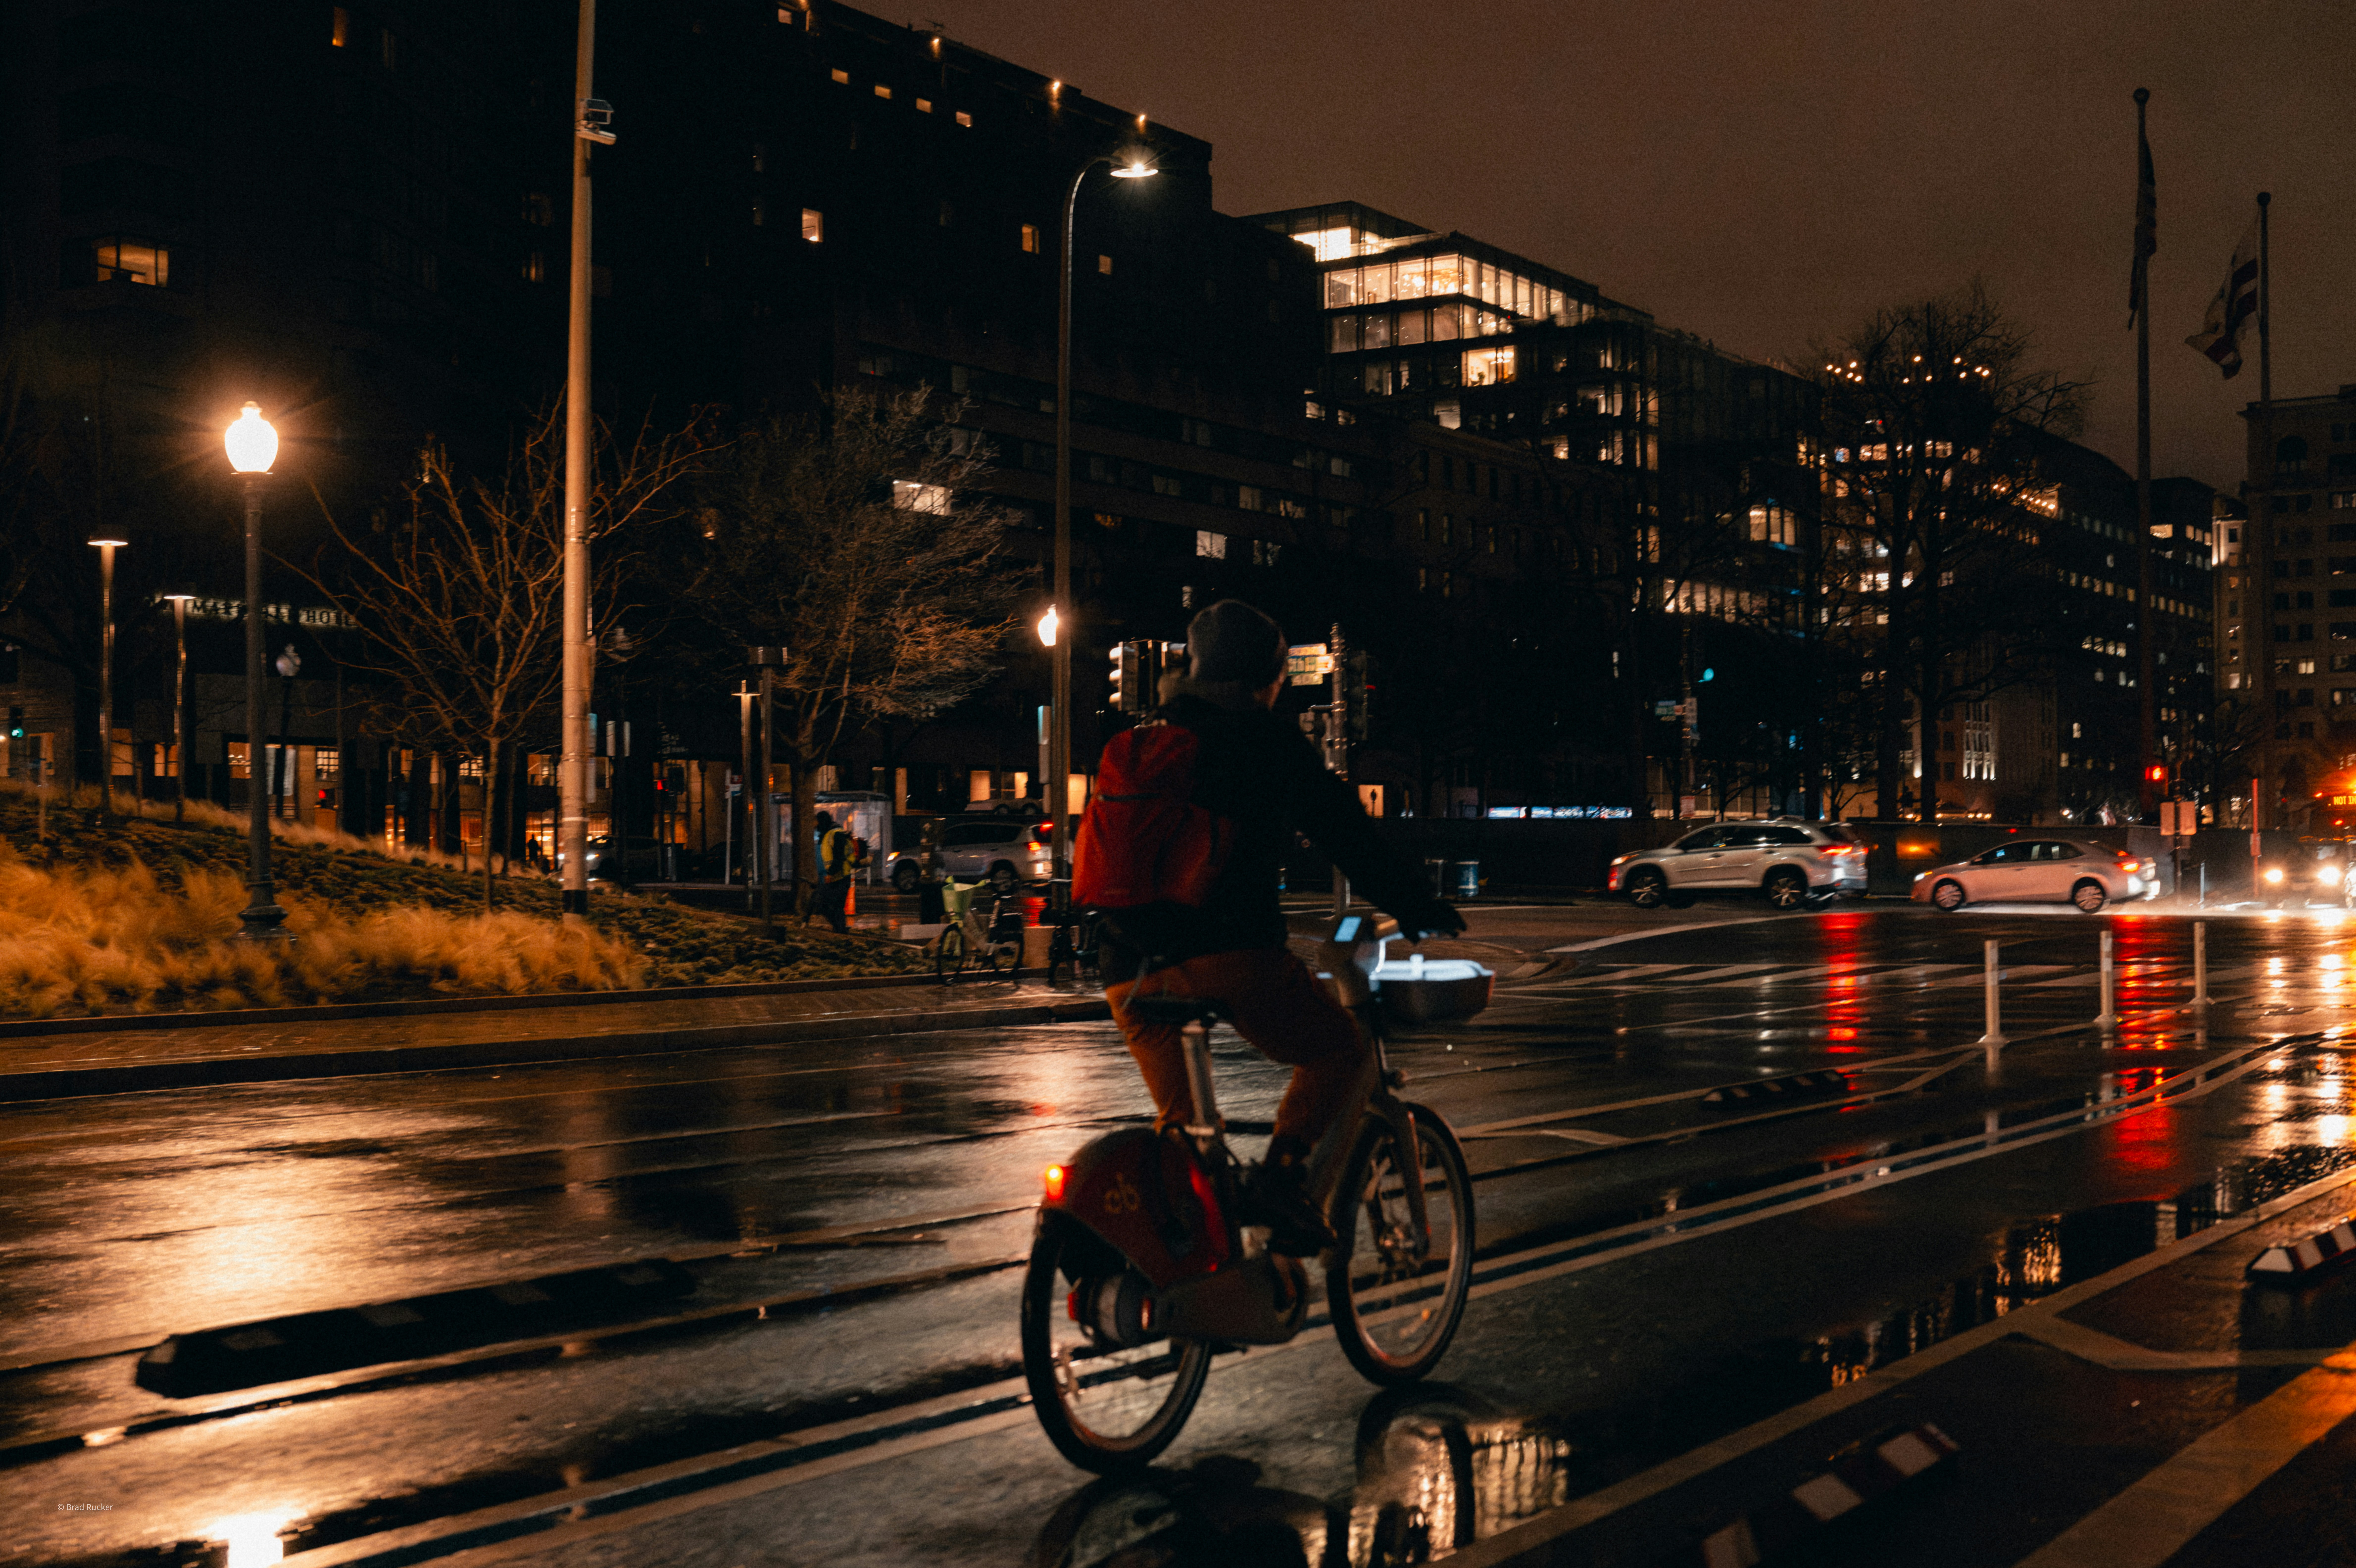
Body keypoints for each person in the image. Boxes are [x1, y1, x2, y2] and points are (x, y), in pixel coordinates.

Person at [1095, 599, 1463, 1255]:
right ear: (1267, 678)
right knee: (1338, 1053)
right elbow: (1344, 830)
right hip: (1229, 955)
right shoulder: (1265, 741)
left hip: (1128, 970)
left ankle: (1190, 1283)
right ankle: (1283, 1182)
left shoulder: (1152, 741)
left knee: (1187, 1137)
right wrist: (1416, 902)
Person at [812, 809, 859, 933]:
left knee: (824, 904)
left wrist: (831, 874)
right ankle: (841, 930)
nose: (815, 826)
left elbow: (839, 858)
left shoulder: (835, 834)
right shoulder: (829, 834)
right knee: (835, 907)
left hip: (840, 878)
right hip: (838, 878)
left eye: (817, 822)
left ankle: (841, 931)